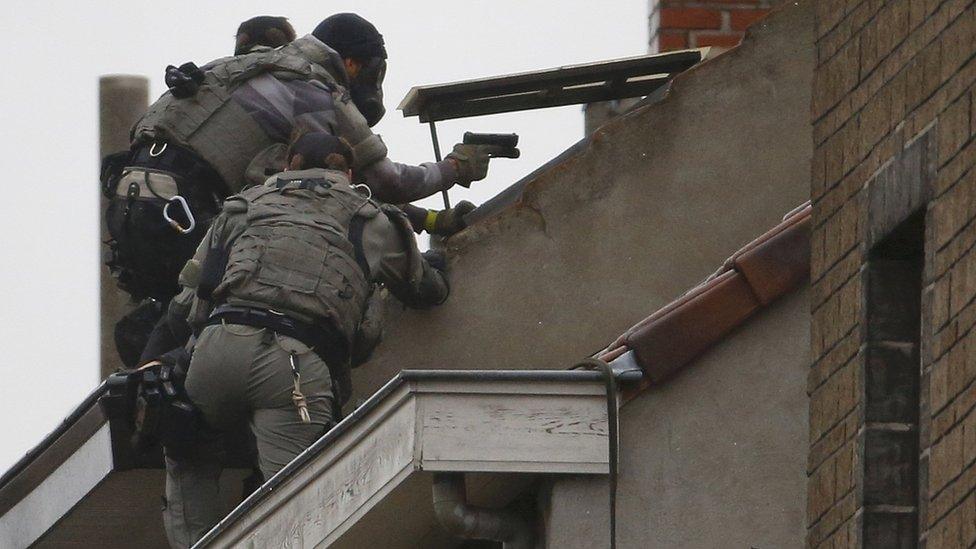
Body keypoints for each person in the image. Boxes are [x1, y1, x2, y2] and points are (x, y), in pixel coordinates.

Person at [104, 14, 497, 366]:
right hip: (185, 217)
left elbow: (334, 186)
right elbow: (381, 182)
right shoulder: (307, 87)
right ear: (352, 63)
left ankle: (147, 385)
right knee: (248, 306)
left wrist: (429, 219)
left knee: (182, 315)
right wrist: (454, 168)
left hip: (133, 215)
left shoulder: (233, 71)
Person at [160, 132, 449, 547]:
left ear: (289, 165)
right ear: (348, 173)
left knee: (187, 455)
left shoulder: (243, 206)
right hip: (293, 365)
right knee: (296, 506)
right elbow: (425, 291)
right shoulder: (370, 218)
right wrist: (437, 261)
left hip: (216, 349)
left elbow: (186, 301)